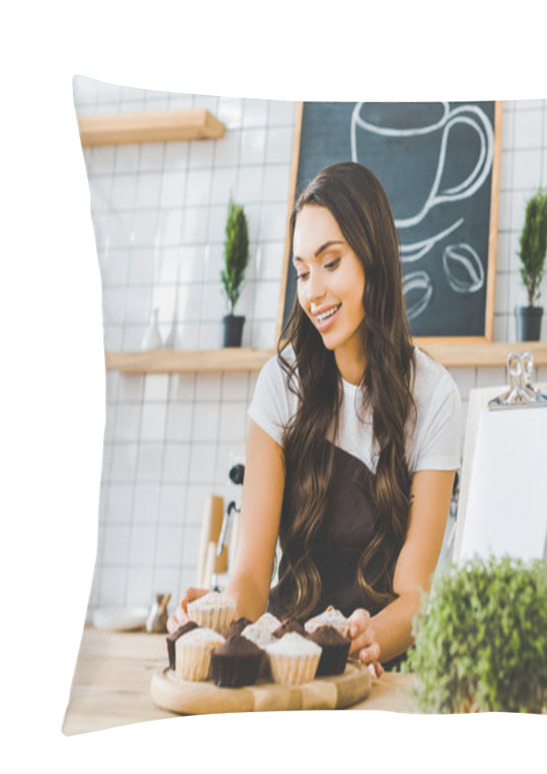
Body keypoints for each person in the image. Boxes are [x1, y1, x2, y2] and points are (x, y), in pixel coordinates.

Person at [168, 161, 461, 676]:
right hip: (289, 666)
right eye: (303, 272)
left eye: (331, 263)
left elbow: (417, 594)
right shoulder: (278, 386)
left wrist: (367, 639)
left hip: (382, 672)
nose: (313, 292)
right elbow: (252, 577)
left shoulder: (433, 396)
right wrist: (219, 617)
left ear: (374, 257)